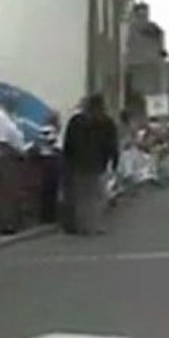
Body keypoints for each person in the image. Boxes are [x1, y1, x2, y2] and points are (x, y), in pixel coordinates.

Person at [62, 94, 118, 235]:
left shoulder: (76, 121)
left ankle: (83, 226)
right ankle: (95, 224)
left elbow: (68, 144)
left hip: (78, 163)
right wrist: (113, 161)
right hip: (98, 163)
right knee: (97, 195)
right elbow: (112, 144)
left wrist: (68, 160)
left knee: (81, 196)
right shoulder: (106, 122)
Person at [0, 96, 28, 234]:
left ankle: (9, 221)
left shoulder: (7, 117)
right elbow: (2, 142)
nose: (16, 105)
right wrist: (18, 152)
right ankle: (6, 224)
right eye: (14, 102)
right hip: (4, 159)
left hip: (6, 158)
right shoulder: (0, 118)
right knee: (6, 192)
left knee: (9, 192)